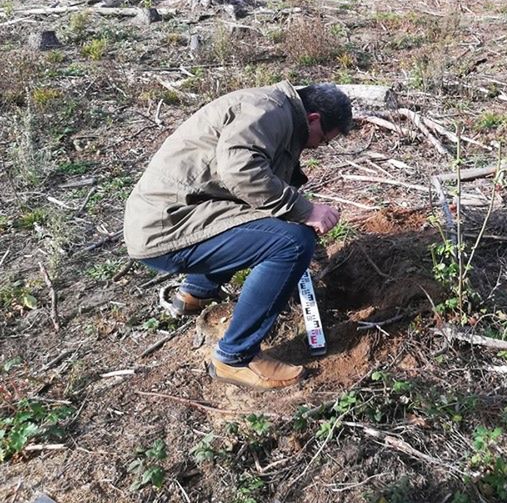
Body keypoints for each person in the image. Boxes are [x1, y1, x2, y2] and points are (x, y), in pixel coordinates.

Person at [124, 81, 352, 390]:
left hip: (170, 216)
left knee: (269, 226)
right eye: (323, 139)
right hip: (165, 227)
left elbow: (249, 191)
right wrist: (303, 211)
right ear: (312, 118)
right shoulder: (268, 112)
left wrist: (295, 212)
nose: (318, 147)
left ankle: (197, 292)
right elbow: (240, 172)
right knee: (292, 245)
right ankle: (235, 357)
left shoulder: (277, 110)